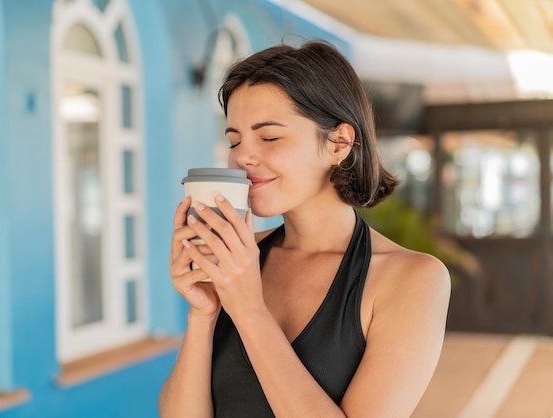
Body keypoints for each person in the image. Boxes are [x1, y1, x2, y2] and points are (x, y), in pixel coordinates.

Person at [159, 40, 450, 417]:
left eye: (269, 137)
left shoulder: (412, 279)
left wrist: (249, 311)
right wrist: (203, 313)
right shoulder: (237, 261)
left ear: (339, 142)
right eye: (234, 140)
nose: (242, 157)